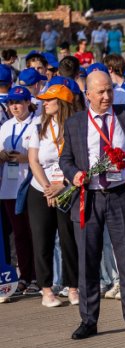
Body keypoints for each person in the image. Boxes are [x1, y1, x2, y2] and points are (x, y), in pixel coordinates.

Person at [59, 70, 125, 341]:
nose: (107, 96)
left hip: (121, 195)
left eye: (109, 90)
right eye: (100, 92)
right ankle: (88, 319)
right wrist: (73, 173)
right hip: (90, 198)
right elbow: (66, 158)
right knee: (88, 260)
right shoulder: (75, 123)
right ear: (87, 95)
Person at [26, 83, 79, 308]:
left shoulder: (76, 125)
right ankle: (46, 290)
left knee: (69, 240)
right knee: (42, 240)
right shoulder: (37, 126)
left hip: (67, 189)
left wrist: (63, 185)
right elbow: (33, 160)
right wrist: (48, 187)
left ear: (62, 102)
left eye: (49, 99)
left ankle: (73, 287)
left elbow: (80, 160)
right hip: (40, 190)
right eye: (43, 100)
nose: (44, 103)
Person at [0, 86, 38, 296]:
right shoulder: (6, 126)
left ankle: (38, 277)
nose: (15, 106)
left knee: (35, 232)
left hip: (31, 183)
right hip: (10, 186)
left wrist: (26, 158)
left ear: (27, 103)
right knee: (20, 234)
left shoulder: (37, 123)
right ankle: (24, 276)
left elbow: (43, 155)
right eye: (11, 103)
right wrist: (4, 155)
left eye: (19, 102)